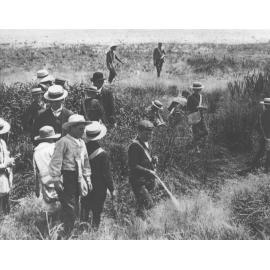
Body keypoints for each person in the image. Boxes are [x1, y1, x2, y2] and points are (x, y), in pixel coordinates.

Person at [49, 114, 92, 236]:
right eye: (80, 129)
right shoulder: (63, 142)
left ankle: (72, 229)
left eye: (83, 129)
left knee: (77, 202)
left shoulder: (82, 143)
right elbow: (56, 161)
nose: (82, 131)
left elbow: (86, 161)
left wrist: (87, 178)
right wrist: (56, 179)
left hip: (79, 177)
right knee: (69, 205)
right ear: (71, 128)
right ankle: (67, 232)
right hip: (68, 176)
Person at [81, 121, 115, 229]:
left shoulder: (82, 149)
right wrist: (112, 189)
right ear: (99, 137)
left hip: (85, 184)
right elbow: (106, 174)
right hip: (99, 187)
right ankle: (95, 231)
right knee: (97, 212)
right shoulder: (102, 154)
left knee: (85, 209)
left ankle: (82, 230)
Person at [128, 120, 159, 219]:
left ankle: (138, 225)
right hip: (138, 182)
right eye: (146, 134)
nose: (149, 136)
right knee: (149, 204)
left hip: (147, 181)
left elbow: (145, 159)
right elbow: (133, 166)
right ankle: (145, 226)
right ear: (139, 132)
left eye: (150, 134)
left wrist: (153, 160)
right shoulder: (134, 145)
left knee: (142, 206)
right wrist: (149, 171)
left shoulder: (146, 143)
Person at [238, 98, 270, 175]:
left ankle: (257, 166)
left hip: (265, 136)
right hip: (266, 136)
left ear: (265, 106)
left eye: (263, 105)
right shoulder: (264, 114)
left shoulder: (263, 115)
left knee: (261, 151)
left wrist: (264, 136)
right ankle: (265, 168)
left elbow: (258, 127)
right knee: (267, 152)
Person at [33, 126, 61, 215]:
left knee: (49, 207)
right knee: (61, 206)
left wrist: (37, 188)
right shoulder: (54, 148)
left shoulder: (36, 151)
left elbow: (35, 172)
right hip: (58, 181)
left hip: (44, 182)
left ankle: (49, 225)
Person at [0, 118, 15, 215]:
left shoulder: (2, 142)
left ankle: (5, 218)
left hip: (3, 175)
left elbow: (5, 156)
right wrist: (5, 164)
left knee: (5, 196)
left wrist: (10, 161)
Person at [186, 82, 208, 148]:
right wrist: (195, 108)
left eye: (199, 89)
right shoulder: (190, 97)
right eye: (196, 89)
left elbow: (206, 106)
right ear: (193, 90)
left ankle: (194, 140)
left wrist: (203, 108)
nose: (198, 91)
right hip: (193, 116)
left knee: (206, 131)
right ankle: (196, 148)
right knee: (195, 131)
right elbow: (188, 108)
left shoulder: (202, 97)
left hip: (201, 116)